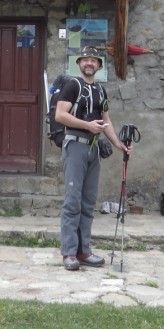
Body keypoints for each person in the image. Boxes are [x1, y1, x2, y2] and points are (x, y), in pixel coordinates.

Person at [55, 45, 132, 271]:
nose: (89, 63)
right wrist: (87, 125)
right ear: (78, 63)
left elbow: (105, 120)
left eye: (94, 60)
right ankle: (69, 253)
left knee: (88, 203)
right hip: (75, 146)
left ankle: (84, 250)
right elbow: (60, 115)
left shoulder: (100, 90)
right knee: (72, 202)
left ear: (99, 65)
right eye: (85, 60)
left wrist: (119, 145)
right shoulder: (72, 86)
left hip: (93, 148)